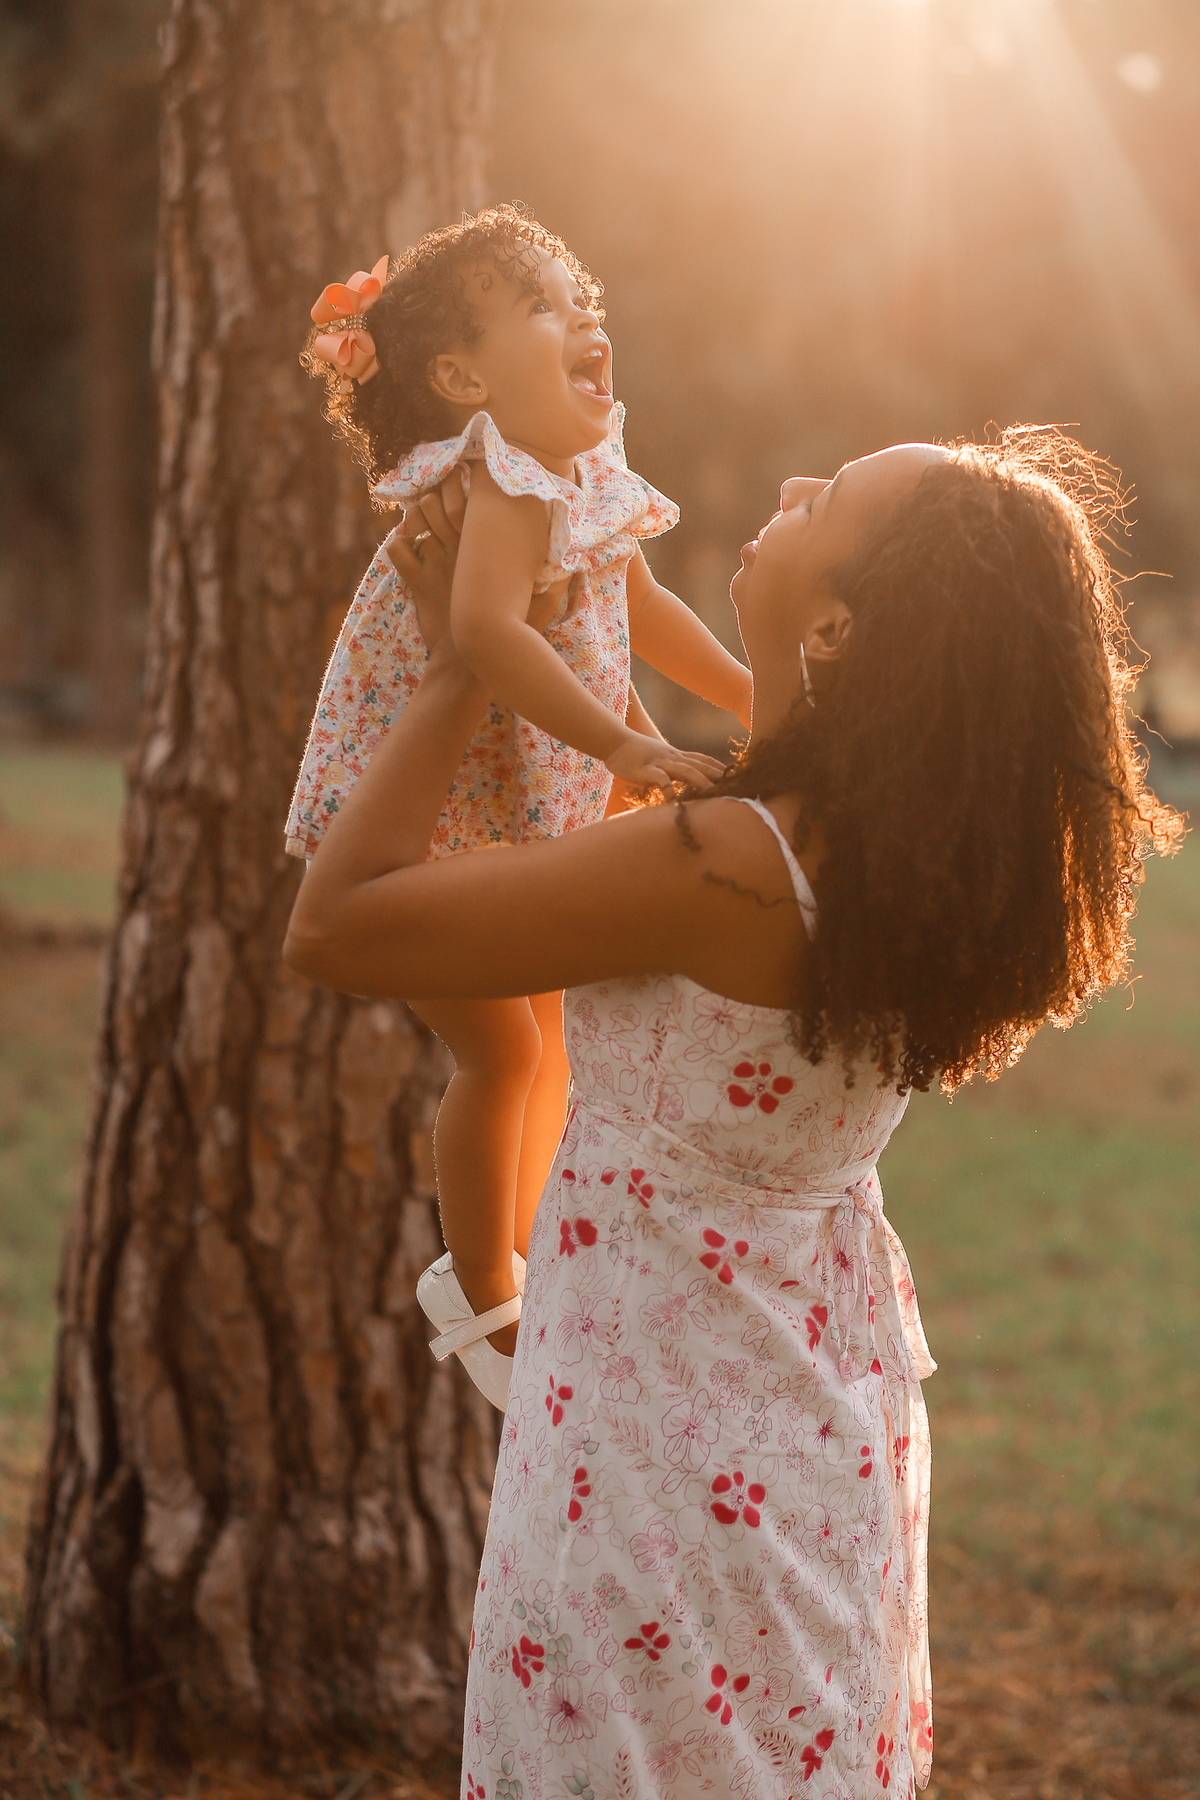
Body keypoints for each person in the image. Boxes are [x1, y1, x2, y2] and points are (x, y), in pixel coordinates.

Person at [284, 426, 1179, 1798]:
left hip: (653, 1458)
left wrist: (466, 657)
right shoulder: (905, 857)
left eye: (827, 503)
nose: (787, 489)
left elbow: (339, 929)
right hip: (803, 1425)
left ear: (841, 617)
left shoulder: (718, 870)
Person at [288, 205, 749, 1403]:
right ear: (461, 377)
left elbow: (641, 605)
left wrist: (748, 696)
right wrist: (621, 744)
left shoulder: (582, 471)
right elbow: (487, 632)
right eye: (543, 306)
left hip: (523, 806)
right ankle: (481, 1286)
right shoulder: (494, 479)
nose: (584, 317)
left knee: (545, 1035)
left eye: (580, 294)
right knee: (497, 1047)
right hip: (437, 821)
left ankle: (534, 1258)